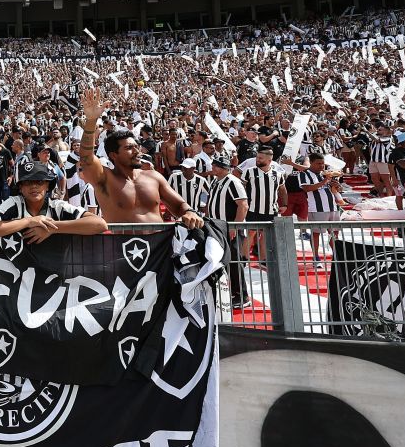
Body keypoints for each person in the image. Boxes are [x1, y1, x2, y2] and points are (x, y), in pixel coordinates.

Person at [77, 89, 203, 228]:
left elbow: (179, 205)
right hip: (121, 247)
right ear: (113, 155)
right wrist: (91, 121)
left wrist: (190, 212)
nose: (137, 151)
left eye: (137, 146)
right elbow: (86, 157)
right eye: (129, 148)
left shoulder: (154, 177)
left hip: (159, 246)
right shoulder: (105, 178)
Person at [0, 160, 108, 243]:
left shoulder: (57, 206)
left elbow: (99, 224)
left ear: (47, 186)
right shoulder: (13, 203)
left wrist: (52, 229)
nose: (34, 186)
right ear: (20, 188)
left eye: (39, 182)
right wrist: (28, 221)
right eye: (27, 183)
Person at [206, 157, 250, 309]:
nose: (213, 167)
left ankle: (242, 296)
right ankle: (231, 293)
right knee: (223, 262)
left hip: (229, 229)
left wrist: (234, 227)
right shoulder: (215, 181)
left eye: (216, 165)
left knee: (234, 262)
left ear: (223, 168)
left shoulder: (232, 181)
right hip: (218, 228)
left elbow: (243, 205)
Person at [237, 148, 287, 266]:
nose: (257, 160)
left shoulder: (278, 174)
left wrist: (284, 204)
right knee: (251, 233)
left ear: (269, 160)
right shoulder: (249, 172)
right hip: (254, 208)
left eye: (260, 158)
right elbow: (241, 188)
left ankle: (264, 259)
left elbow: (282, 189)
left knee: (266, 235)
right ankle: (244, 258)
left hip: (271, 209)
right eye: (257, 157)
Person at [298, 153, 346, 267]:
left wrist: (337, 185)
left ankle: (337, 256)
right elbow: (306, 188)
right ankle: (316, 258)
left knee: (334, 233)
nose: (321, 166)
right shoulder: (304, 174)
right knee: (316, 234)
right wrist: (324, 182)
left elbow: (338, 190)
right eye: (318, 164)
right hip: (316, 208)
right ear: (311, 163)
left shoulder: (327, 174)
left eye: (323, 163)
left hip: (333, 207)